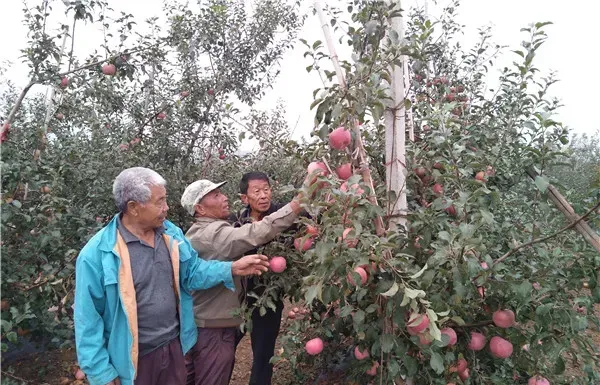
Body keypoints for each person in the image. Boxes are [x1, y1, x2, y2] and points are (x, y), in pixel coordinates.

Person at [74, 167, 269, 385]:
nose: (166, 208)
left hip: (174, 347)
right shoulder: (97, 255)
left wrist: (231, 268)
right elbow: (88, 319)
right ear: (134, 208)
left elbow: (192, 272)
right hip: (133, 361)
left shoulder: (170, 234)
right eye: (160, 202)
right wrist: (101, 372)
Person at [179, 177, 305, 385]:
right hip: (214, 328)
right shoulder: (213, 234)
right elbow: (256, 232)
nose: (224, 198)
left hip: (207, 321)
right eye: (216, 195)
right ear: (200, 208)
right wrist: (297, 204)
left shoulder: (203, 230)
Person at [229, 172, 297, 385]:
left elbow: (311, 220)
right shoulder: (236, 221)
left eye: (266, 189)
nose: (263, 195)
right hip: (237, 297)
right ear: (244, 198)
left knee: (263, 353)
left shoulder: (283, 215)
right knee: (225, 347)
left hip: (269, 295)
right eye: (256, 191)